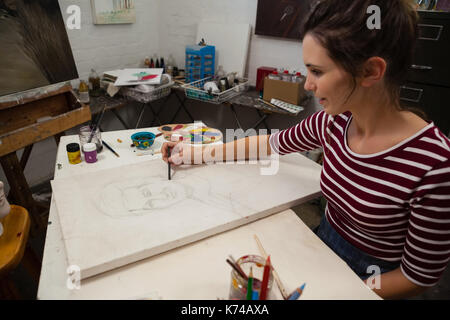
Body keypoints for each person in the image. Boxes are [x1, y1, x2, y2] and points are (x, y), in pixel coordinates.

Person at [162, 0, 450, 299]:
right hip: (322, 249)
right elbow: (268, 143)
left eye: (317, 71)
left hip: (374, 283)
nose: (308, 85)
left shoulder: (435, 165)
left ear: (370, 71)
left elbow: (417, 276)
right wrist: (195, 153)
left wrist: (347, 292)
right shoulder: (334, 122)